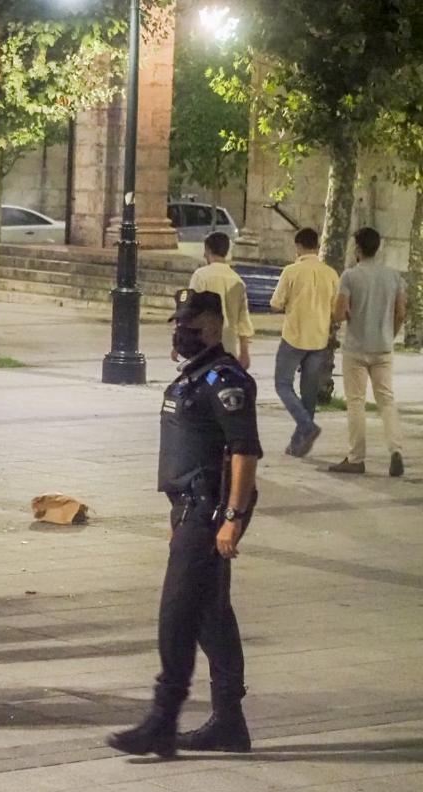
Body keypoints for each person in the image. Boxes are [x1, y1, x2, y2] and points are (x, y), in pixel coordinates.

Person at [108, 289, 261, 759]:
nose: (181, 332)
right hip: (189, 509)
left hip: (209, 511)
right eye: (178, 324)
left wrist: (231, 519)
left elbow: (244, 452)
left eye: (191, 326)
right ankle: (229, 723)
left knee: (177, 614)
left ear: (215, 325)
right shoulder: (193, 378)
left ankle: (163, 718)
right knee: (211, 615)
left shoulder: (225, 379)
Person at [328, 227, 407, 477]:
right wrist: (390, 334)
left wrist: (348, 313)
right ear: (378, 247)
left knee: (356, 402)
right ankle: (396, 450)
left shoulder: (350, 276)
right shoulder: (393, 277)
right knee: (386, 399)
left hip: (356, 348)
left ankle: (356, 457)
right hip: (383, 347)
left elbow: (339, 314)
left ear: (358, 249)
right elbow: (401, 312)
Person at [269, 228, 339, 457]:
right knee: (308, 393)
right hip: (319, 339)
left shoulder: (291, 271)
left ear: (298, 246)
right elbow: (336, 309)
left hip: (294, 337)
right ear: (317, 246)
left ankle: (306, 427)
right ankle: (298, 443)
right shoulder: (331, 274)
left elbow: (276, 303)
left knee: (282, 384)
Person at [188, 232, 253, 369]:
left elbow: (190, 309)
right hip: (228, 347)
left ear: (208, 250)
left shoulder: (200, 276)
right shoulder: (237, 281)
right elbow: (243, 319)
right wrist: (244, 351)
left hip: (203, 345)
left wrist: (179, 343)